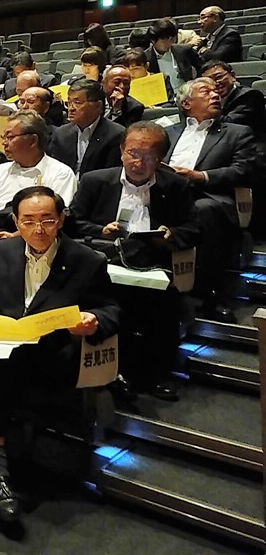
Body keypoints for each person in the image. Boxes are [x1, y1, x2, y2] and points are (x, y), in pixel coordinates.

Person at [0, 186, 119, 529]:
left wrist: (94, 320)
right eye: (28, 221)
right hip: (5, 351)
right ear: (15, 221)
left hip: (54, 357)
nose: (38, 229)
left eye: (47, 220)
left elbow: (112, 310)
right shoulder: (1, 252)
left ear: (61, 219)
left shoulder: (87, 260)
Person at [69, 122, 200, 400]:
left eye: (149, 156)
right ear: (121, 151)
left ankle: (156, 375)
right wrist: (101, 230)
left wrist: (171, 234)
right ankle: (110, 376)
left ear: (161, 159)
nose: (138, 163)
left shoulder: (175, 186)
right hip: (105, 263)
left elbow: (193, 229)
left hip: (152, 265)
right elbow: (73, 222)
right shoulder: (95, 181)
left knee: (162, 303)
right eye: (133, 153)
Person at [165, 78, 256, 320]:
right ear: (186, 103)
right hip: (167, 192)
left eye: (216, 91)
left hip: (210, 196)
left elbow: (244, 171)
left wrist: (200, 176)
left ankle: (208, 295)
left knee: (202, 211)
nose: (215, 94)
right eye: (205, 91)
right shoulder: (169, 132)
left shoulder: (236, 132)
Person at [0, 110, 78, 235]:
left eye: (10, 137)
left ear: (33, 141)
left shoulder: (61, 173)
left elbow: (56, 219)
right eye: (4, 137)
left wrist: (16, 236)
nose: (4, 143)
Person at [48, 80, 124, 176]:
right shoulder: (61, 134)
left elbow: (111, 175)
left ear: (98, 106)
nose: (71, 108)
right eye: (69, 102)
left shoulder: (116, 135)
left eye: (77, 102)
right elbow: (54, 169)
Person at [145, 18, 202, 97]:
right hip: (163, 98)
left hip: (187, 95)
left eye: (171, 39)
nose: (169, 43)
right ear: (153, 41)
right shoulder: (145, 58)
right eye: (164, 40)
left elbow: (202, 68)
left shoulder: (184, 50)